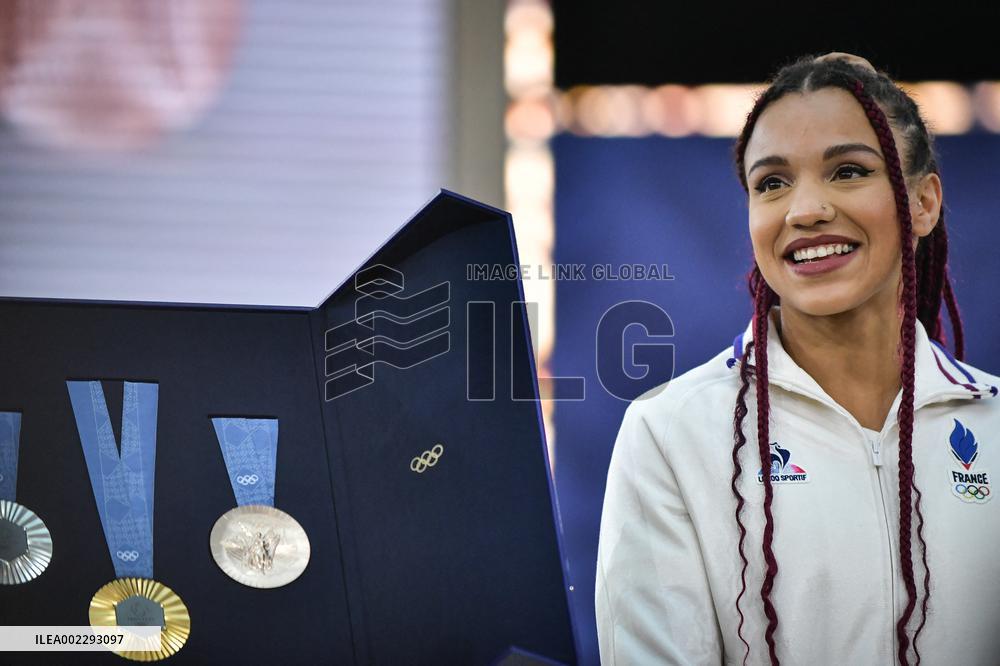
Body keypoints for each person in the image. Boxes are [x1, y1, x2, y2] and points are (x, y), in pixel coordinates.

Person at [594, 53, 1000, 665]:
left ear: (923, 203)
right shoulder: (669, 432)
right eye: (772, 183)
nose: (804, 210)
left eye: (847, 171)